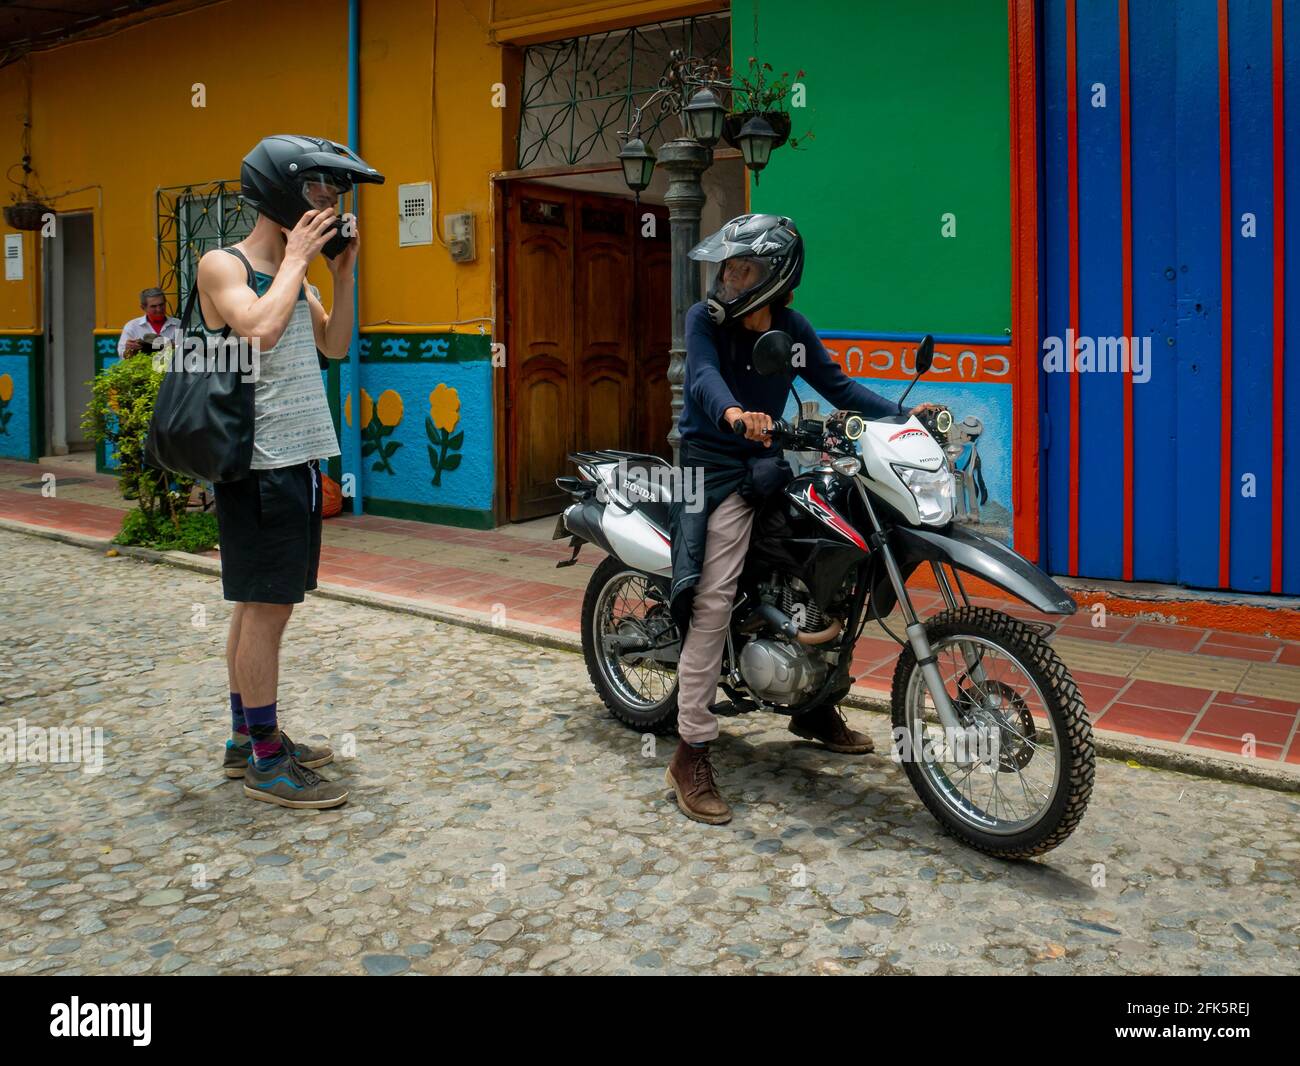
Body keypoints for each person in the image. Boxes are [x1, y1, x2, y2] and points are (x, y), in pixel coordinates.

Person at [665, 213, 938, 825]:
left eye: (744, 270)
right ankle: (690, 751)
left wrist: (901, 415)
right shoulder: (703, 321)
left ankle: (813, 704)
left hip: (766, 461)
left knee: (838, 565)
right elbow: (703, 377)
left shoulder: (791, 329)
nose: (730, 280)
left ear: (775, 276)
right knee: (712, 600)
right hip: (708, 468)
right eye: (728, 269)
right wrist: (735, 413)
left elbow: (839, 388)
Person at [199, 134, 383, 809]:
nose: (329, 205)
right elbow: (256, 331)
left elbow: (332, 344)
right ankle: (267, 761)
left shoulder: (296, 279)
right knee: (267, 612)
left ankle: (245, 739)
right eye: (318, 193)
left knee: (258, 607)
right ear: (280, 192)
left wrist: (340, 274)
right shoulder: (225, 265)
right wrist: (297, 260)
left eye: (333, 196)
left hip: (299, 463)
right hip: (259, 467)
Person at [118, 288, 181, 355]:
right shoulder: (132, 327)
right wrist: (128, 349)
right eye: (153, 306)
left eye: (161, 305)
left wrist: (173, 345)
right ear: (143, 308)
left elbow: (185, 351)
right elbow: (122, 354)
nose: (159, 309)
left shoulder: (178, 324)